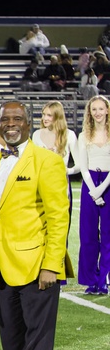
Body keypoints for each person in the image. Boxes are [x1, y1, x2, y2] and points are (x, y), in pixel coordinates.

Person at [0, 100, 69, 350]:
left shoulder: (48, 161)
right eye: (6, 119)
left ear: (29, 124)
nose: (11, 123)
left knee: (38, 335)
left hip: (37, 265)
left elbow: (59, 216)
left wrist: (52, 264)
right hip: (1, 267)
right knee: (11, 335)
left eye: (18, 118)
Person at [75, 95, 110, 294]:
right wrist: (93, 191)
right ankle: (91, 280)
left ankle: (104, 279)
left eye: (100, 109)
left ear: (107, 110)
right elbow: (84, 167)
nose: (97, 113)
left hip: (108, 185)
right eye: (93, 109)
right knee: (88, 235)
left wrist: (101, 189)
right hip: (90, 185)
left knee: (108, 235)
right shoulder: (83, 136)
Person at [33, 101, 80, 231]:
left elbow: (80, 165)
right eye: (43, 114)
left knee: (61, 231)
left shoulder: (69, 135)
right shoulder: (36, 135)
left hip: (61, 187)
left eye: (49, 115)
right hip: (40, 187)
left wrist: (65, 171)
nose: (45, 118)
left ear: (57, 116)